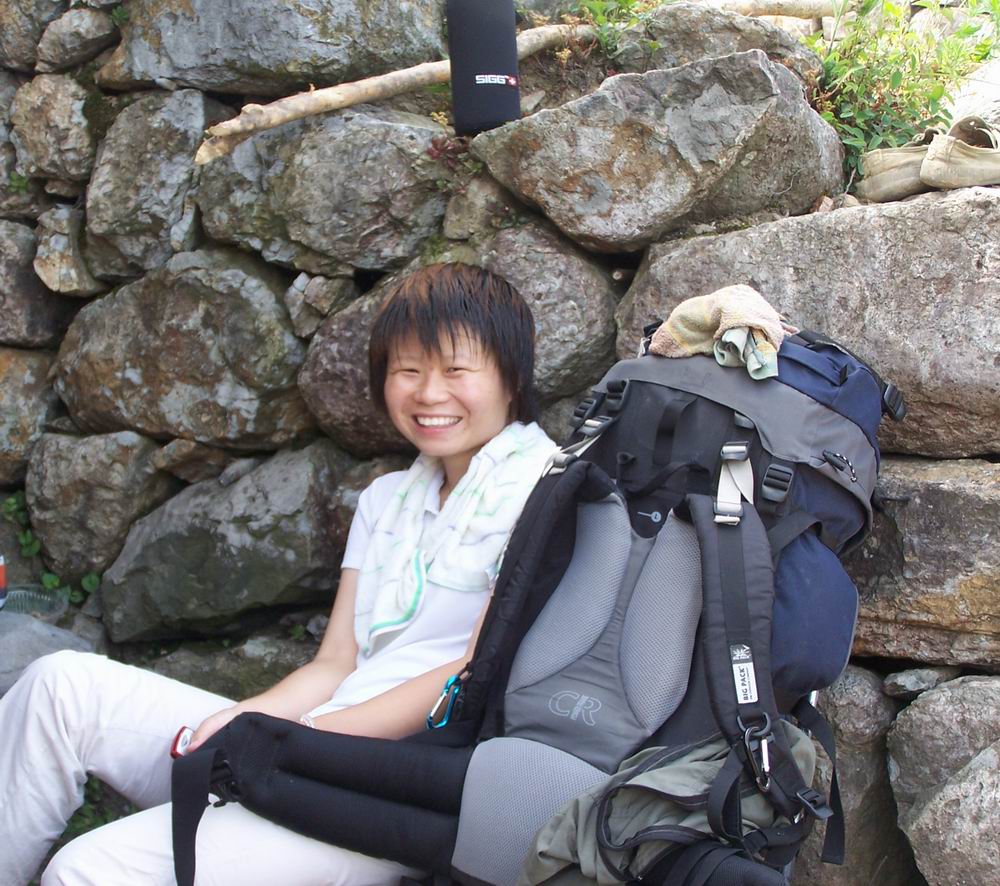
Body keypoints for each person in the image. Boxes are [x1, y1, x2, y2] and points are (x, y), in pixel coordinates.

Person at [0, 263, 557, 886]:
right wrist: (250, 721)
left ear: (512, 375)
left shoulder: (544, 494)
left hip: (389, 796)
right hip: (310, 752)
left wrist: (295, 742)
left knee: (86, 871)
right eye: (408, 370)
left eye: (456, 370)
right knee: (59, 686)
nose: (429, 394)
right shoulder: (388, 500)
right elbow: (336, 663)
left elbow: (472, 673)